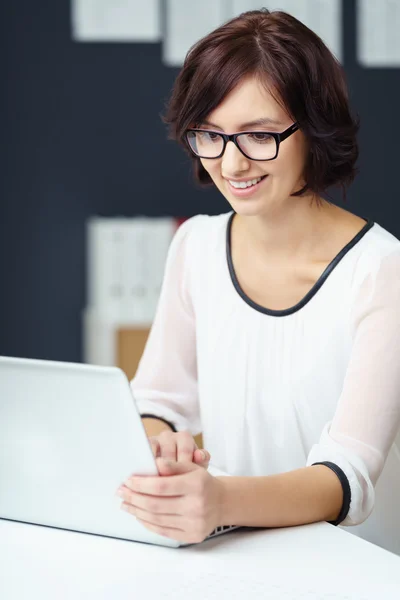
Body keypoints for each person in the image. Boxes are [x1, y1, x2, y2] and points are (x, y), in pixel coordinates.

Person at [115, 9, 400, 554]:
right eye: (211, 135)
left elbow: (348, 475)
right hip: (234, 557)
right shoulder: (196, 245)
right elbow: (157, 402)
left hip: (357, 570)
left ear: (313, 131)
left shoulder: (381, 270)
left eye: (260, 136)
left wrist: (220, 502)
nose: (232, 164)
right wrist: (165, 449)